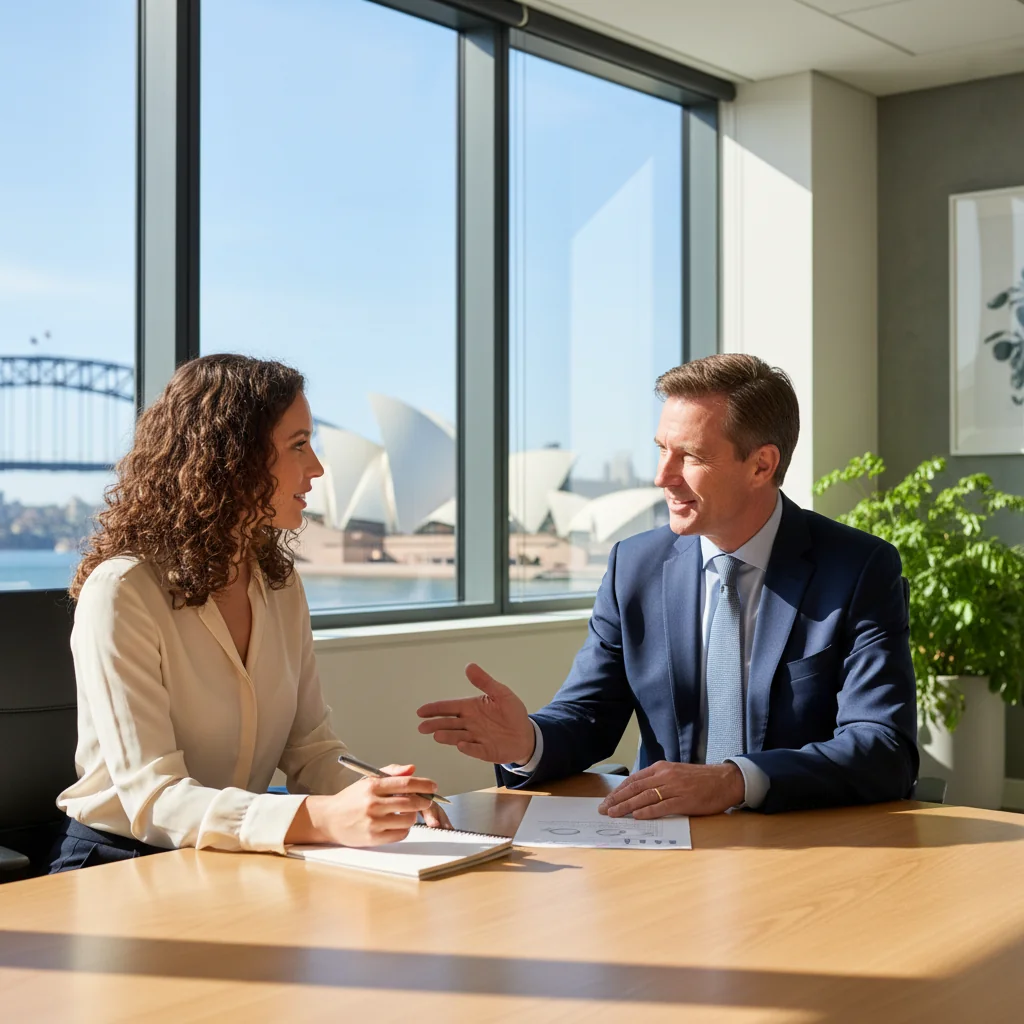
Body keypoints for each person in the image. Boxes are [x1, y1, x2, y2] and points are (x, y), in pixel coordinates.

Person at [417, 354, 919, 817]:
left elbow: (883, 746)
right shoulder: (634, 565)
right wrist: (526, 740)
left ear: (762, 465)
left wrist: (734, 781)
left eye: (691, 457)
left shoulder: (857, 568)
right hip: (665, 845)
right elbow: (590, 713)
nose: (663, 477)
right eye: (661, 450)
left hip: (806, 845)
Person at [50, 354, 446, 873]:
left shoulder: (279, 585)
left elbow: (311, 750)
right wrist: (325, 818)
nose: (319, 468)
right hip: (119, 863)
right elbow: (155, 800)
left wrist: (376, 795)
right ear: (230, 456)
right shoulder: (123, 591)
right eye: (298, 445)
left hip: (235, 857)